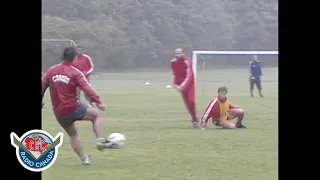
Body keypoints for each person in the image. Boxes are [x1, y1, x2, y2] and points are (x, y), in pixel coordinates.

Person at [42, 47, 113, 165]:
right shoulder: (75, 72)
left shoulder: (51, 70)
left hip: (59, 112)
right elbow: (87, 88)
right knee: (96, 116)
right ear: (74, 58)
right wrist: (98, 101)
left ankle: (84, 159)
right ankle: (100, 140)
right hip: (73, 107)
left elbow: (42, 86)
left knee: (73, 135)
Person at [170, 48, 200, 128]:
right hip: (181, 87)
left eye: (179, 53)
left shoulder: (187, 61)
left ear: (183, 53)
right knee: (188, 105)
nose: (178, 55)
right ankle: (195, 121)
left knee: (191, 101)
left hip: (189, 85)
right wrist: (174, 83)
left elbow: (189, 75)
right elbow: (174, 73)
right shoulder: (173, 62)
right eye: (176, 53)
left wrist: (182, 86)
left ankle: (195, 120)